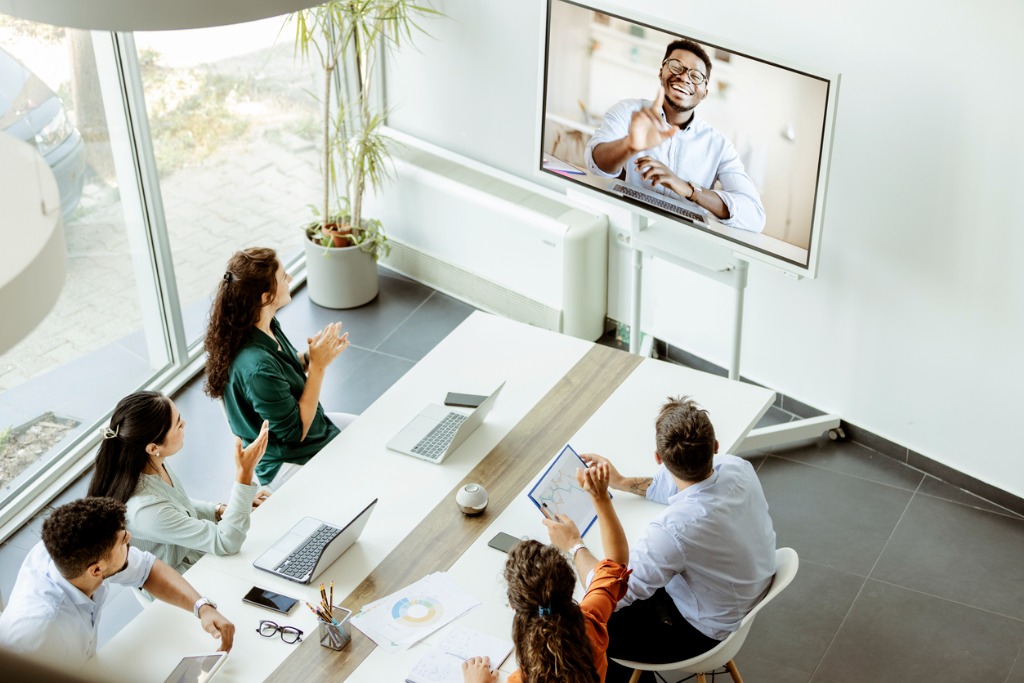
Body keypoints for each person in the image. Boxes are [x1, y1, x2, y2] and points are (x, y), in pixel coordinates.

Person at [581, 396, 776, 683]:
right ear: (716, 447)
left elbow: (611, 592)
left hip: (702, 633)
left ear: (658, 459)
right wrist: (620, 482)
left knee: (591, 630)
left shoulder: (672, 531)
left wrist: (574, 544)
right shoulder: (738, 468)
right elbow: (675, 482)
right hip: (741, 597)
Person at [0, 497, 234, 670]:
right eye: (123, 541)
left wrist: (202, 607)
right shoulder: (36, 636)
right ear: (96, 570)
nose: (130, 538)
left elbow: (147, 570)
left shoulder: (70, 554)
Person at [462, 463, 631, 683]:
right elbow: (616, 563)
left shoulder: (523, 678)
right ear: (570, 587)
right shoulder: (589, 624)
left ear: (513, 605)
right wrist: (599, 500)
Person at [204, 247, 354, 487]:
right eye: (284, 276)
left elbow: (282, 366)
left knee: (374, 430)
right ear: (266, 297)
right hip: (290, 458)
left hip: (312, 429)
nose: (291, 278)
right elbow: (296, 433)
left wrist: (312, 356)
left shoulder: (263, 324)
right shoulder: (256, 368)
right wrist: (318, 367)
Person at [585, 39, 766, 233]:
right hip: (625, 225)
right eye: (676, 66)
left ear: (705, 92)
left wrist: (688, 189)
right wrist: (629, 145)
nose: (684, 77)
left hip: (684, 237)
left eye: (696, 76)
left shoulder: (720, 147)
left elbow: (754, 216)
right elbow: (596, 166)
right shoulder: (627, 111)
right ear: (661, 72)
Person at [86, 390, 270, 574]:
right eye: (177, 425)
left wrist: (223, 510)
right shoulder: (145, 511)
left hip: (195, 554)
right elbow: (226, 542)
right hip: (188, 579)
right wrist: (244, 475)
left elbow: (178, 505)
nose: (184, 423)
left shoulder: (151, 464)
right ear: (153, 448)